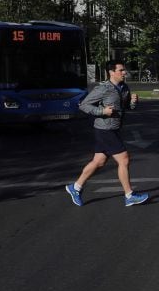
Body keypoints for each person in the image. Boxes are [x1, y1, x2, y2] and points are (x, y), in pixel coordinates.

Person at [64, 59, 149, 207]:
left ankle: (75, 187)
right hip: (104, 129)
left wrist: (134, 102)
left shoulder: (124, 87)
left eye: (124, 70)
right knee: (124, 159)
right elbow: (83, 105)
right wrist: (101, 111)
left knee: (99, 161)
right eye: (121, 70)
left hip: (114, 128)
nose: (124, 72)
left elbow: (127, 107)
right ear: (111, 72)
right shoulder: (103, 88)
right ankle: (129, 195)